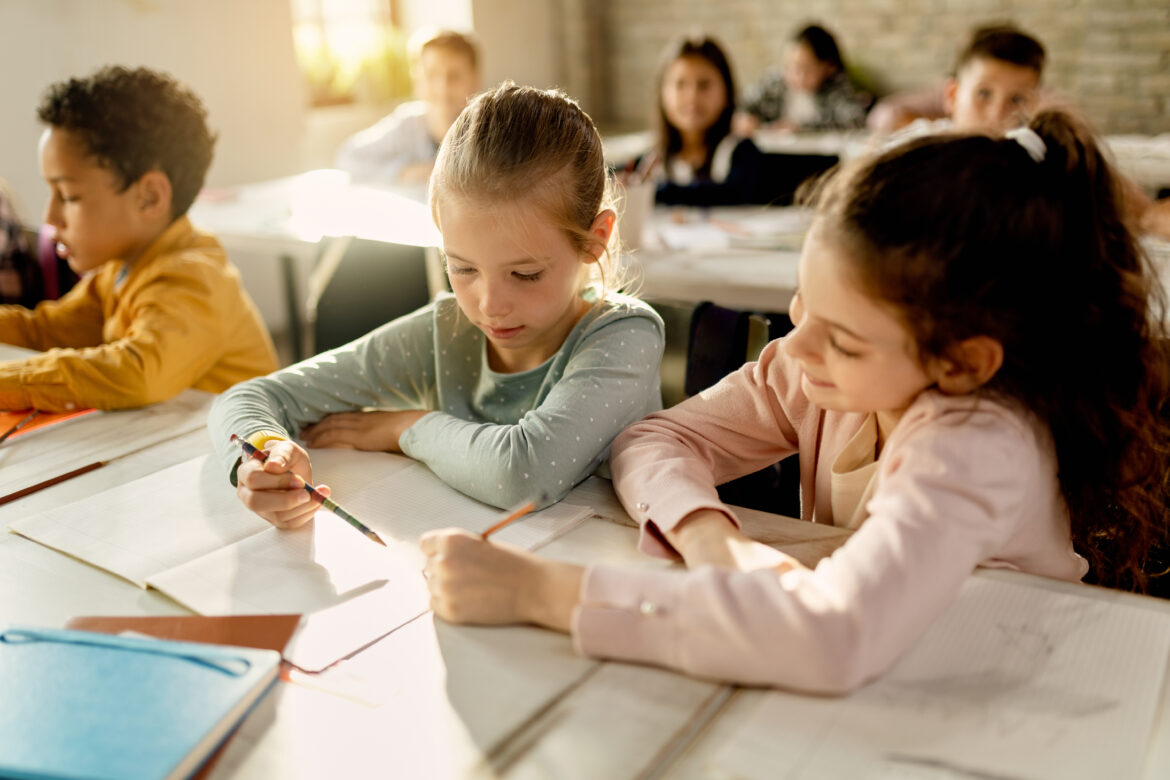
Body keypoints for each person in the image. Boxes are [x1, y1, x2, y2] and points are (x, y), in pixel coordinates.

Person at [419, 109, 1170, 693]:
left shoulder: (979, 439)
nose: (796, 347)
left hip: (1012, 704)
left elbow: (831, 637)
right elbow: (651, 441)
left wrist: (546, 591)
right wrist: (711, 537)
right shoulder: (816, 370)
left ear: (963, 363)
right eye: (800, 305)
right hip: (882, 685)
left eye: (843, 339)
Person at [210, 83, 665, 527]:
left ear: (595, 239)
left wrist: (405, 428)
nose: (489, 305)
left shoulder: (626, 334)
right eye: (462, 268)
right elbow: (251, 396)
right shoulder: (443, 331)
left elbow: (522, 473)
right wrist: (265, 453)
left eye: (525, 274)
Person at [0, 66, 278, 411]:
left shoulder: (193, 279)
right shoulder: (120, 268)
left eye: (69, 196)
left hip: (238, 453)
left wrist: (9, 382)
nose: (50, 218)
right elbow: (45, 331)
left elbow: (135, 372)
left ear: (149, 197)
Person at [334, 28, 480, 186]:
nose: (442, 87)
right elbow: (347, 157)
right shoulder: (408, 126)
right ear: (417, 79)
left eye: (454, 76)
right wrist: (403, 171)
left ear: (475, 78)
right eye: (432, 74)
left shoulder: (488, 128)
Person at [639, 34, 764, 207]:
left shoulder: (741, 151)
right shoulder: (653, 160)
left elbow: (733, 193)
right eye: (680, 84)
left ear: (727, 92)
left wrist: (652, 192)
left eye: (704, 85)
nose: (692, 97)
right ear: (662, 93)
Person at [879, 23, 1045, 138]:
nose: (997, 115)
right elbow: (884, 114)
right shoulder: (916, 150)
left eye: (1016, 100)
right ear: (953, 95)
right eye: (984, 93)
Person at [736, 23, 871, 134]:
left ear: (828, 67)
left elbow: (854, 121)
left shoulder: (835, 87)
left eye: (805, 69)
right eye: (789, 67)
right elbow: (745, 103)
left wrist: (803, 129)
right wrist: (745, 118)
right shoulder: (776, 83)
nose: (795, 76)